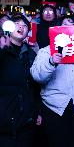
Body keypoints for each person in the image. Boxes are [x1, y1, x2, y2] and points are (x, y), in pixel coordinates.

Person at [30, 16, 74, 147]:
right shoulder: (46, 51)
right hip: (54, 108)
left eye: (72, 24)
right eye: (64, 24)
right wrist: (51, 62)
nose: (68, 27)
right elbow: (37, 76)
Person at [0, 15, 37, 147]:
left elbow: (35, 87)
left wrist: (36, 112)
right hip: (3, 120)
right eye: (17, 23)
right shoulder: (1, 49)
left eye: (25, 25)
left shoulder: (32, 55)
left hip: (25, 121)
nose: (21, 27)